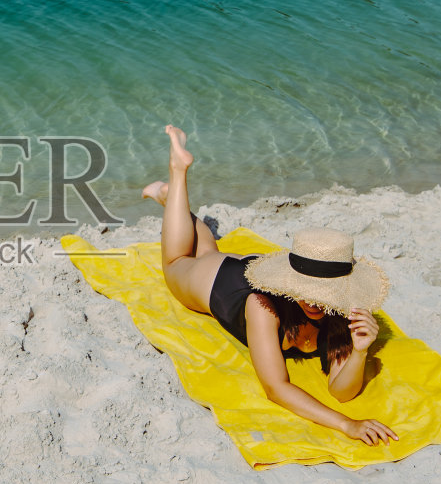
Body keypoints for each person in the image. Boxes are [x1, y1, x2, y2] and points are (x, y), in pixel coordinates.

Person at [142, 126, 399, 446]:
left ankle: (170, 199)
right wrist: (347, 426)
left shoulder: (345, 312)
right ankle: (177, 172)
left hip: (251, 265)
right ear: (295, 283)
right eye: (307, 290)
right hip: (221, 281)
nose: (314, 303)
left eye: (323, 293)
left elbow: (341, 391)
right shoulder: (261, 308)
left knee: (207, 249)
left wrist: (361, 353)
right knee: (177, 262)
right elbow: (276, 388)